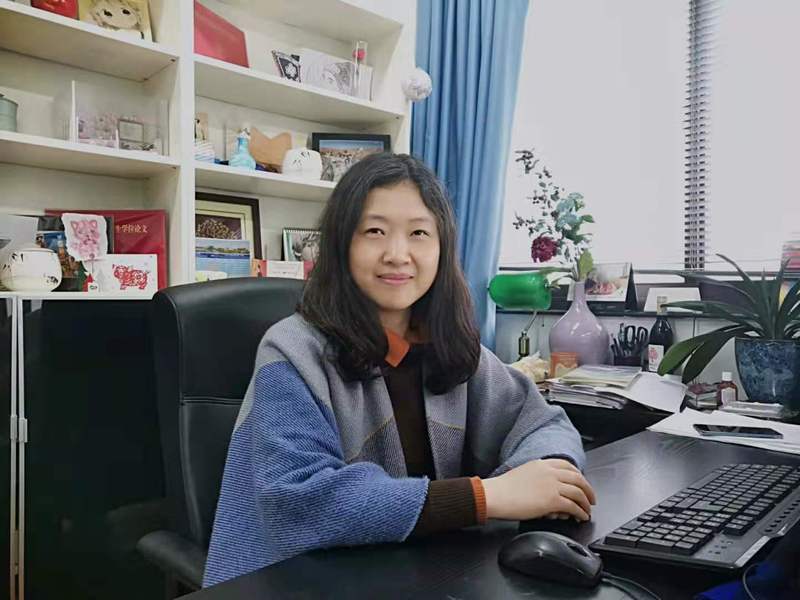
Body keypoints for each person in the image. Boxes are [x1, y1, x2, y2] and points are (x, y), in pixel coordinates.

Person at [203, 153, 595, 587]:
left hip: (415, 574)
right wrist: (486, 497)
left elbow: (542, 422)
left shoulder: (448, 346)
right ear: (342, 244)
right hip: (295, 581)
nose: (397, 254)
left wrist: (548, 476)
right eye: (374, 231)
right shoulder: (291, 350)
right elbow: (299, 501)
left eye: (419, 233)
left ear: (442, 248)